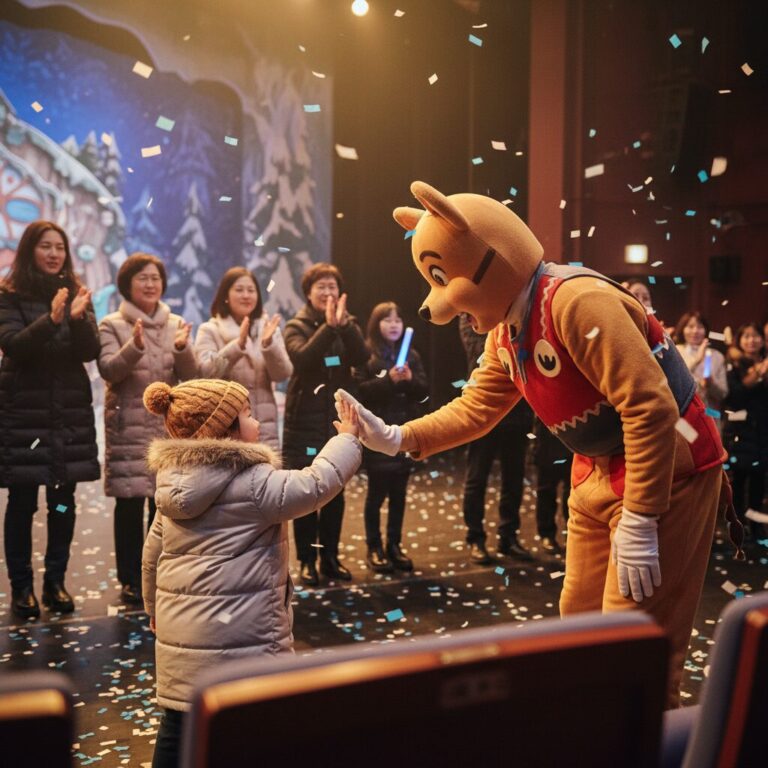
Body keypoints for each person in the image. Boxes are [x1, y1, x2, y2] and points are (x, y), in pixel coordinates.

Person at [337, 181, 736, 709]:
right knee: (580, 621)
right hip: (594, 471)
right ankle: (592, 727)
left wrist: (642, 516)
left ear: (493, 259)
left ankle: (640, 735)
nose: (437, 303)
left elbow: (650, 407)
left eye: (443, 278)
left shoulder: (578, 302)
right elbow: (476, 407)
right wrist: (397, 436)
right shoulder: (507, 330)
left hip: (665, 470)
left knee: (633, 638)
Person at [142, 378, 361, 768]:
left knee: (177, 726)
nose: (257, 422)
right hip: (242, 639)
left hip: (181, 643)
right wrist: (347, 440)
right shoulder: (254, 483)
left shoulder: (171, 486)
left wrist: (154, 610)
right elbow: (315, 485)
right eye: (247, 414)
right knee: (256, 729)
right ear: (223, 429)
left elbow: (151, 557)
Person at [0, 220, 100, 619]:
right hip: (24, 414)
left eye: (60, 247)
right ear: (30, 250)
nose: (54, 253)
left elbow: (90, 351)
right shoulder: (8, 295)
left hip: (67, 413)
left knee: (62, 503)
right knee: (22, 503)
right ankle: (21, 587)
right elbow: (13, 346)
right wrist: (52, 320)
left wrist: (76, 318)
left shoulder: (77, 293)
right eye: (46, 246)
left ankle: (55, 582)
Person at [98, 252, 197, 606]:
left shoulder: (176, 324)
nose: (151, 284)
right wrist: (135, 347)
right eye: (143, 278)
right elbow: (109, 370)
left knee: (163, 506)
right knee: (128, 506)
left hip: (166, 431)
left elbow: (192, 377)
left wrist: (182, 350)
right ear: (127, 284)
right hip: (128, 428)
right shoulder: (111, 324)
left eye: (155, 278)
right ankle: (129, 579)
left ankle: (159, 575)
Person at [282, 263, 368, 586]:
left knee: (335, 490)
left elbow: (363, 358)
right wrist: (329, 329)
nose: (328, 292)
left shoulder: (349, 324)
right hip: (304, 422)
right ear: (308, 293)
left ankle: (330, 558)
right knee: (306, 492)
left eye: (333, 287)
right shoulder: (296, 325)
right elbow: (302, 358)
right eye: (321, 287)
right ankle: (307, 560)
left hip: (337, 421)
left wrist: (343, 327)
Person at [355, 302, 428, 573]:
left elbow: (424, 393)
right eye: (387, 320)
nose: (394, 324)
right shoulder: (366, 355)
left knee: (399, 495)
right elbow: (361, 392)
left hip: (404, 434)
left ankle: (394, 546)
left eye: (398, 319)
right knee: (376, 496)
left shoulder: (412, 356)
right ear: (376, 324)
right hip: (377, 437)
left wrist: (409, 380)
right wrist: (389, 381)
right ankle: (374, 547)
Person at [458, 313, 534, 564]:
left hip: (518, 410)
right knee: (477, 476)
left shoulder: (518, 313)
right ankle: (475, 538)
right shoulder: (472, 315)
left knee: (514, 477)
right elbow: (479, 354)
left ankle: (508, 536)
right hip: (484, 410)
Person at [195, 267, 292, 451]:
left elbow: (282, 374)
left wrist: (268, 345)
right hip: (228, 428)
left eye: (251, 290)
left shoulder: (268, 328)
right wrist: (238, 345)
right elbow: (205, 373)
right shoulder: (209, 330)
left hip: (265, 428)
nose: (246, 295)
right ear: (225, 295)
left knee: (268, 469)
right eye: (239, 290)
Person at [721, 322, 768, 539]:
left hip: (763, 430)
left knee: (760, 480)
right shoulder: (733, 363)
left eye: (755, 336)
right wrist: (758, 372)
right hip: (740, 430)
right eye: (746, 336)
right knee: (738, 481)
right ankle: (738, 526)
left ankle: (757, 526)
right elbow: (735, 395)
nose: (751, 340)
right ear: (739, 340)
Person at [674, 311, 728, 421]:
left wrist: (711, 384)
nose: (695, 331)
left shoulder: (717, 356)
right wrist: (696, 360)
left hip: (710, 414)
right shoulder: (675, 351)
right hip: (682, 416)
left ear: (706, 330)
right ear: (683, 329)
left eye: (700, 327)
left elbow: (723, 394)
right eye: (690, 326)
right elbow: (674, 383)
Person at [533, 417, 572, 554]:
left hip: (572, 433)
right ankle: (547, 534)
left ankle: (571, 534)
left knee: (572, 491)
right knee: (546, 489)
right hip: (548, 433)